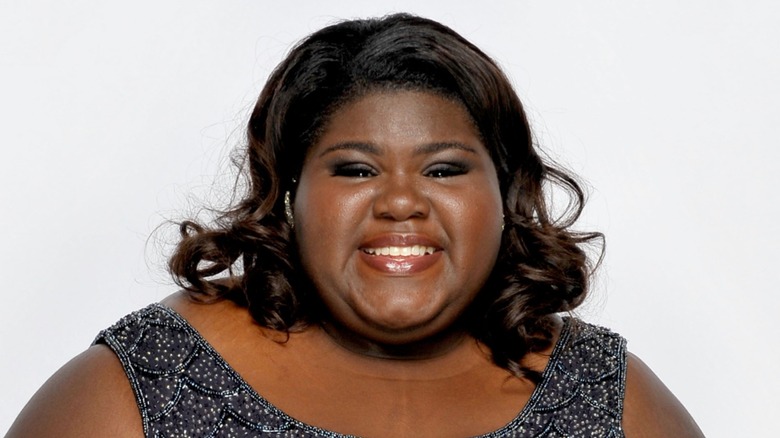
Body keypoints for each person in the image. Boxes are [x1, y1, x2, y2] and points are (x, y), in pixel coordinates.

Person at [8, 13, 704, 437]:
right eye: (354, 170)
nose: (401, 202)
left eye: (444, 170)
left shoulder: (605, 400)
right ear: (288, 195)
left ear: (507, 194)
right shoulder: (150, 385)